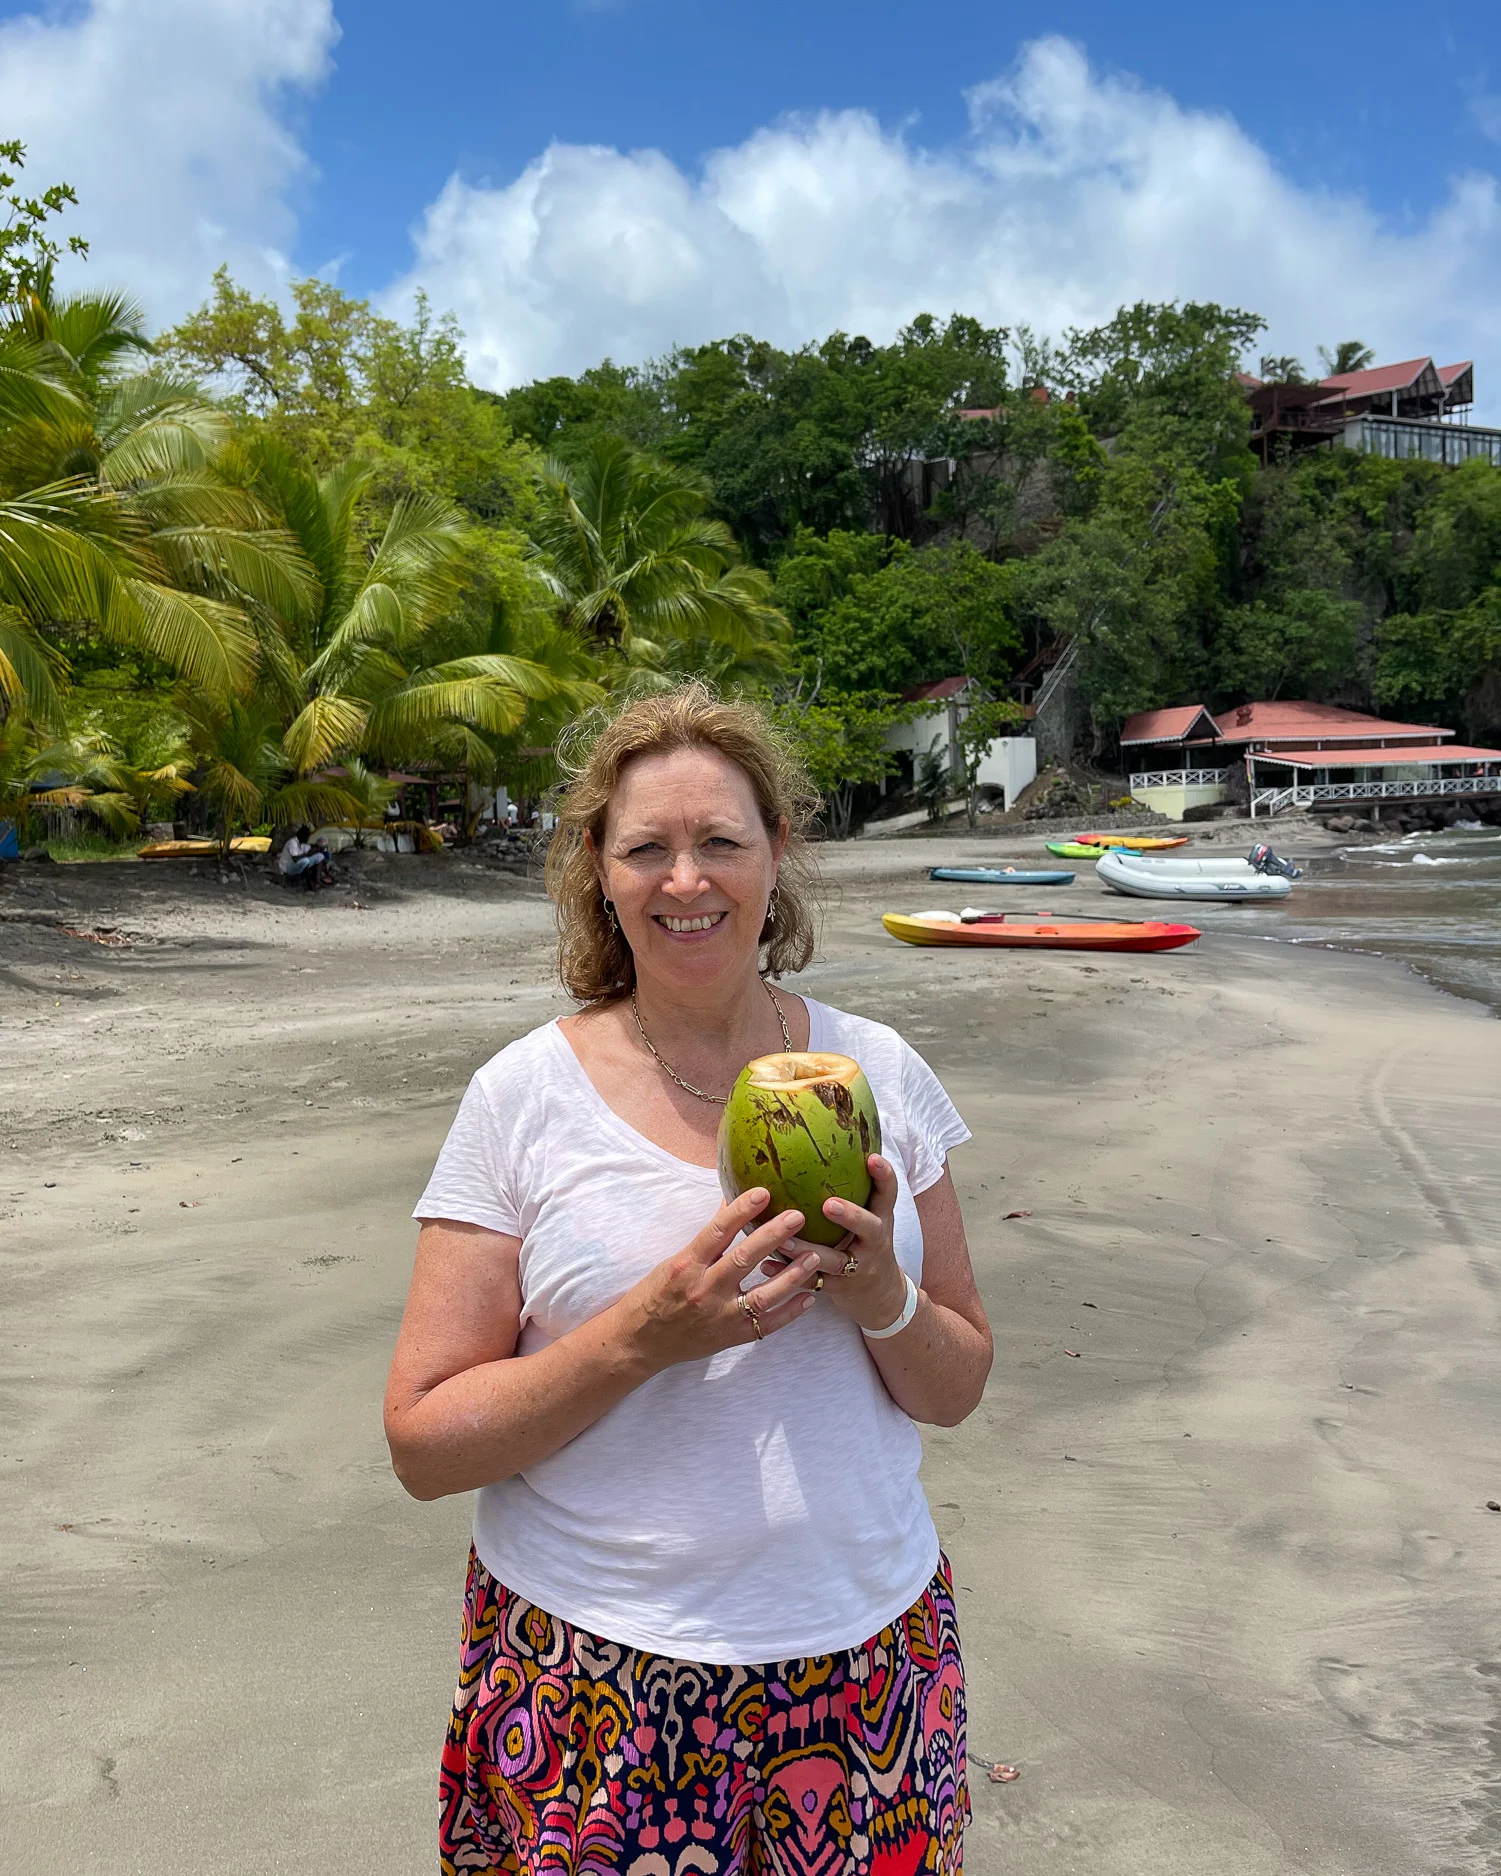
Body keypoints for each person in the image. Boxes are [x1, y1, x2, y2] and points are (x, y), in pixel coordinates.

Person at [385, 685, 992, 1876]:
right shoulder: (521, 1098)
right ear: (598, 874)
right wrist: (641, 1336)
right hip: (599, 1673)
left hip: (866, 1653)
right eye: (646, 848)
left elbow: (958, 1383)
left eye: (720, 841)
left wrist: (882, 1303)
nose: (686, 880)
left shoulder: (879, 1071)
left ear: (776, 855)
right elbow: (422, 1445)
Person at [277, 824, 331, 889]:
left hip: (297, 865)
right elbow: (295, 859)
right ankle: (310, 885)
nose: (308, 839)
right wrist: (308, 854)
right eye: (307, 837)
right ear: (303, 836)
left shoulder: (302, 844)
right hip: (287, 868)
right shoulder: (292, 842)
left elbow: (311, 847)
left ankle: (317, 881)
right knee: (306, 861)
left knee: (320, 856)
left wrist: (317, 847)